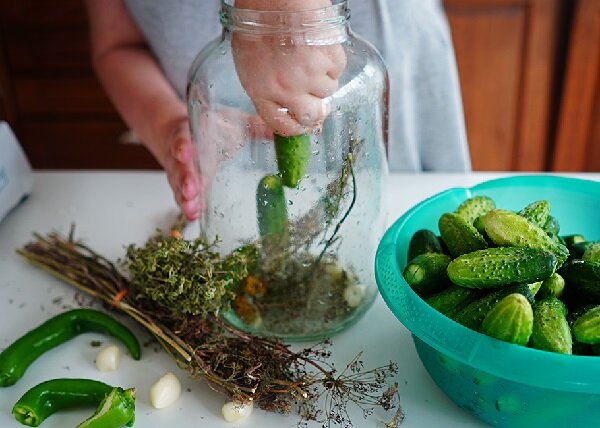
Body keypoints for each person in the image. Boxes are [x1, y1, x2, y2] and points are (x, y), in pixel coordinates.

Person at [85, 0, 471, 221]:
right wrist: (170, 125)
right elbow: (118, 44)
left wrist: (279, 8)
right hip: (222, 142)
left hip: (389, 72)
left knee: (402, 229)